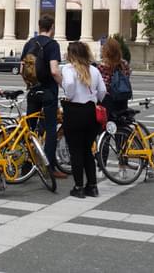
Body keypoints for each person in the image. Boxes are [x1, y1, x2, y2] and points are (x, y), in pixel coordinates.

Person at [21, 14, 67, 179]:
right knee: (50, 128)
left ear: (39, 26)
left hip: (33, 91)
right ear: (52, 28)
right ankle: (49, 167)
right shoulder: (52, 45)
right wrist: (64, 85)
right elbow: (54, 70)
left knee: (30, 128)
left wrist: (30, 85)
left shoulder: (29, 43)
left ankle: (27, 164)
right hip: (48, 91)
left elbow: (22, 69)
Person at [60, 41, 106, 199]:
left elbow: (70, 85)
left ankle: (78, 186)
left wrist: (70, 95)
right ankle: (92, 186)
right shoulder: (94, 70)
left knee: (75, 151)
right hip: (91, 113)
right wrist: (93, 98)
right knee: (87, 150)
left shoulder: (68, 68)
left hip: (74, 111)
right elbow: (103, 91)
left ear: (71, 54)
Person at [98, 37, 132, 119]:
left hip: (108, 100)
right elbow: (128, 75)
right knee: (120, 122)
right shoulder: (124, 64)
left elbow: (103, 86)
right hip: (122, 98)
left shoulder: (103, 66)